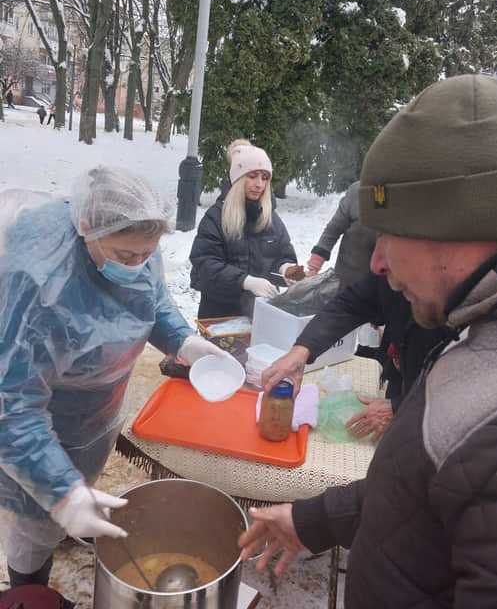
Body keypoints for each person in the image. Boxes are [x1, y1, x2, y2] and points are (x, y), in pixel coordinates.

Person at [239, 74, 497, 607]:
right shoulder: (485, 318)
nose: (377, 262)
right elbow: (427, 492)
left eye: (390, 237)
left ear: (458, 226)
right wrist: (315, 520)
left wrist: (401, 408)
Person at [0, 166, 225, 589]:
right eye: (128, 257)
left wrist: (184, 343)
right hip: (43, 422)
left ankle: (65, 513)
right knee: (33, 526)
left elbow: (151, 302)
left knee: (76, 484)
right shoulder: (37, 285)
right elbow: (11, 411)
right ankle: (29, 590)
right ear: (87, 227)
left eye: (148, 254)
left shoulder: (131, 239)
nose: (138, 265)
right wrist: (61, 493)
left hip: (96, 414)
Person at [262, 270, 446, 440]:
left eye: (388, 243)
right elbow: (351, 305)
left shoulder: (465, 302)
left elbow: (468, 395)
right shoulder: (392, 268)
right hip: (405, 373)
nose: (375, 262)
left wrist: (400, 408)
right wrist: (301, 350)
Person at [189, 142, 299, 319]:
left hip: (261, 314)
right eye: (253, 176)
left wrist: (286, 269)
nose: (259, 184)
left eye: (264, 178)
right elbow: (205, 263)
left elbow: (283, 254)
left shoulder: (271, 218)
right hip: (220, 314)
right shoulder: (216, 217)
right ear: (238, 179)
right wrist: (245, 281)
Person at [306, 180, 377, 291]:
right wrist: (314, 266)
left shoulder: (407, 195)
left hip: (392, 285)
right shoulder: (358, 191)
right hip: (349, 279)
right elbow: (332, 231)